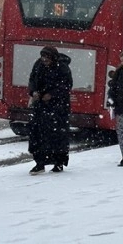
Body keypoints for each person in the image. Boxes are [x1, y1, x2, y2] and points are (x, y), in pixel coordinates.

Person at [27, 46, 73, 175]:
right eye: (43, 58)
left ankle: (59, 162)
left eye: (47, 58)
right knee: (38, 134)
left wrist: (52, 94)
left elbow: (66, 86)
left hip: (58, 107)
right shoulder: (38, 65)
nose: (44, 60)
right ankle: (39, 162)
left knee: (57, 135)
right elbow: (32, 80)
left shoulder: (62, 68)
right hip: (40, 106)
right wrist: (33, 91)